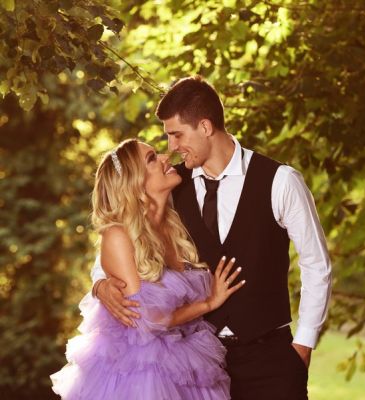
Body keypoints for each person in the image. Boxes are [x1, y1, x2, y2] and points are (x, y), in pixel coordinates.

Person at [93, 76, 332, 399]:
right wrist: (100, 284)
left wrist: (303, 345)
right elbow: (122, 242)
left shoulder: (280, 181)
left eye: (177, 135)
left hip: (270, 360)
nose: (171, 148)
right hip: (198, 366)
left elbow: (316, 264)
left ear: (205, 127)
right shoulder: (170, 186)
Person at [50, 138, 245, 400]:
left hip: (188, 362)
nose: (166, 156)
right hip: (141, 371)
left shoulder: (175, 224)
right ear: (134, 183)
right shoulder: (118, 234)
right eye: (152, 158)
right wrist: (209, 303)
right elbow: (144, 318)